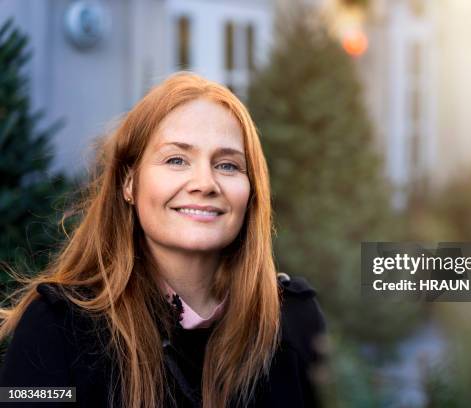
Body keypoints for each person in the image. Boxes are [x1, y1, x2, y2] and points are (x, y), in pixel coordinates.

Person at [0, 73, 326, 408]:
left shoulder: (295, 320)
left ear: (252, 191)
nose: (205, 183)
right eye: (176, 160)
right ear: (129, 183)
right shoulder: (55, 326)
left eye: (228, 165)